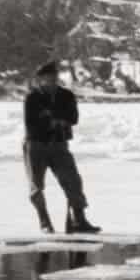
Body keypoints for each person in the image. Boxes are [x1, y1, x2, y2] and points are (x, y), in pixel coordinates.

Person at [23, 60, 100, 235]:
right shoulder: (32, 97)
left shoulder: (66, 96)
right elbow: (32, 122)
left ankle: (79, 219)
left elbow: (73, 118)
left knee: (72, 181)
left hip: (59, 144)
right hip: (36, 145)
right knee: (36, 185)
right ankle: (44, 221)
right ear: (40, 79)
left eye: (54, 77)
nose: (51, 80)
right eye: (47, 77)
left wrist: (51, 117)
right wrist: (55, 119)